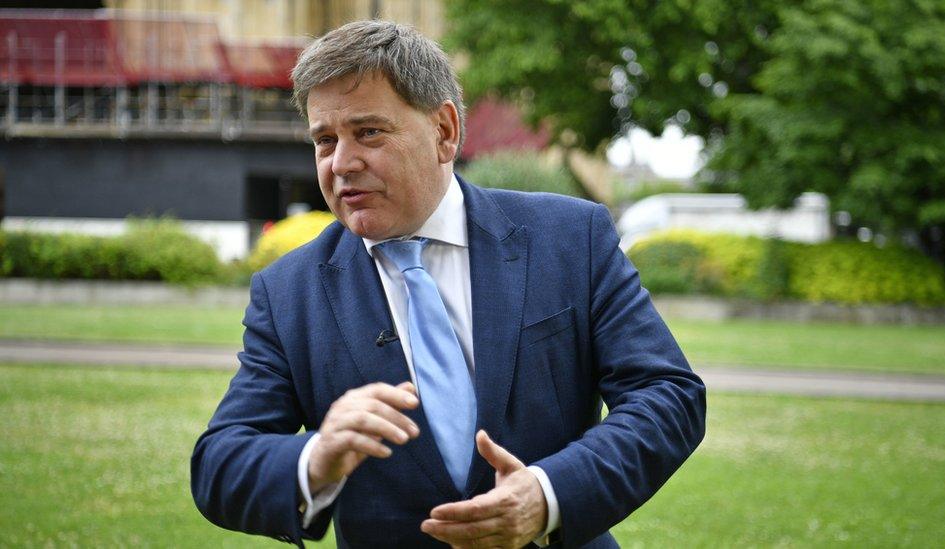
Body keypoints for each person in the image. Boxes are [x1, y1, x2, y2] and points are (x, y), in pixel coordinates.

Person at [191, 20, 705, 549]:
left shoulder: (571, 239)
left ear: (445, 131)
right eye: (325, 140)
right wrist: (315, 458)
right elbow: (219, 466)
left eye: (368, 132)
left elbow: (667, 396)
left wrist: (549, 495)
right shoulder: (288, 292)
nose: (341, 163)